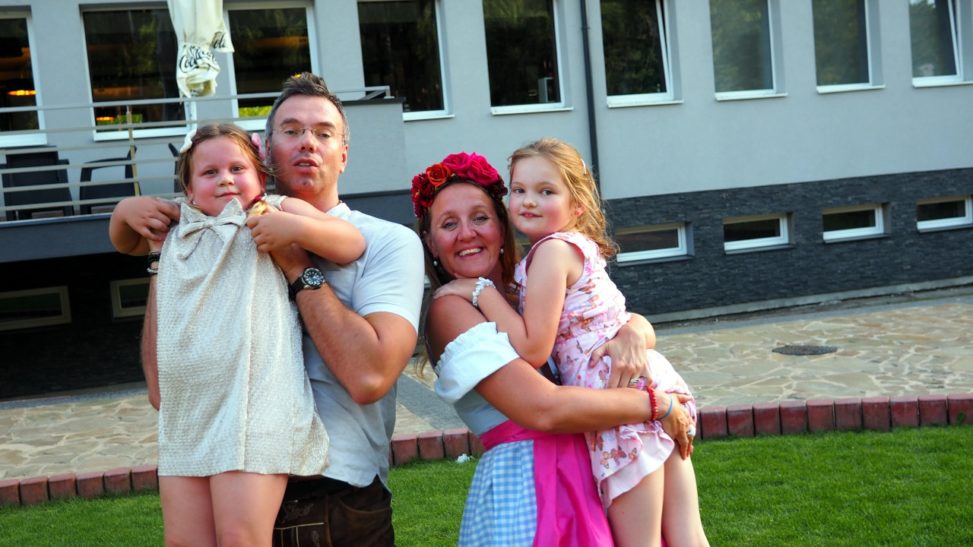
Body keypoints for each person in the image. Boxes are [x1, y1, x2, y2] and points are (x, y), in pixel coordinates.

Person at [119, 73, 425, 546]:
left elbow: (370, 377)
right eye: (292, 130)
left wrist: (294, 257)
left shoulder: (387, 241)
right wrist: (157, 252)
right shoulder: (205, 237)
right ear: (266, 152)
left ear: (344, 154)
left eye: (324, 133)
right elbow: (164, 389)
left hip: (332, 497)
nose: (308, 142)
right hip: (221, 466)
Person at [414, 151, 698, 545]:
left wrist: (634, 331)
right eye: (449, 224)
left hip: (585, 464)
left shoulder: (523, 290)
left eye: (479, 217)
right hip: (529, 486)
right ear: (430, 242)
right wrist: (657, 405)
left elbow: (597, 321)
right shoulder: (451, 308)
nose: (467, 233)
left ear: (500, 225)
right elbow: (542, 408)